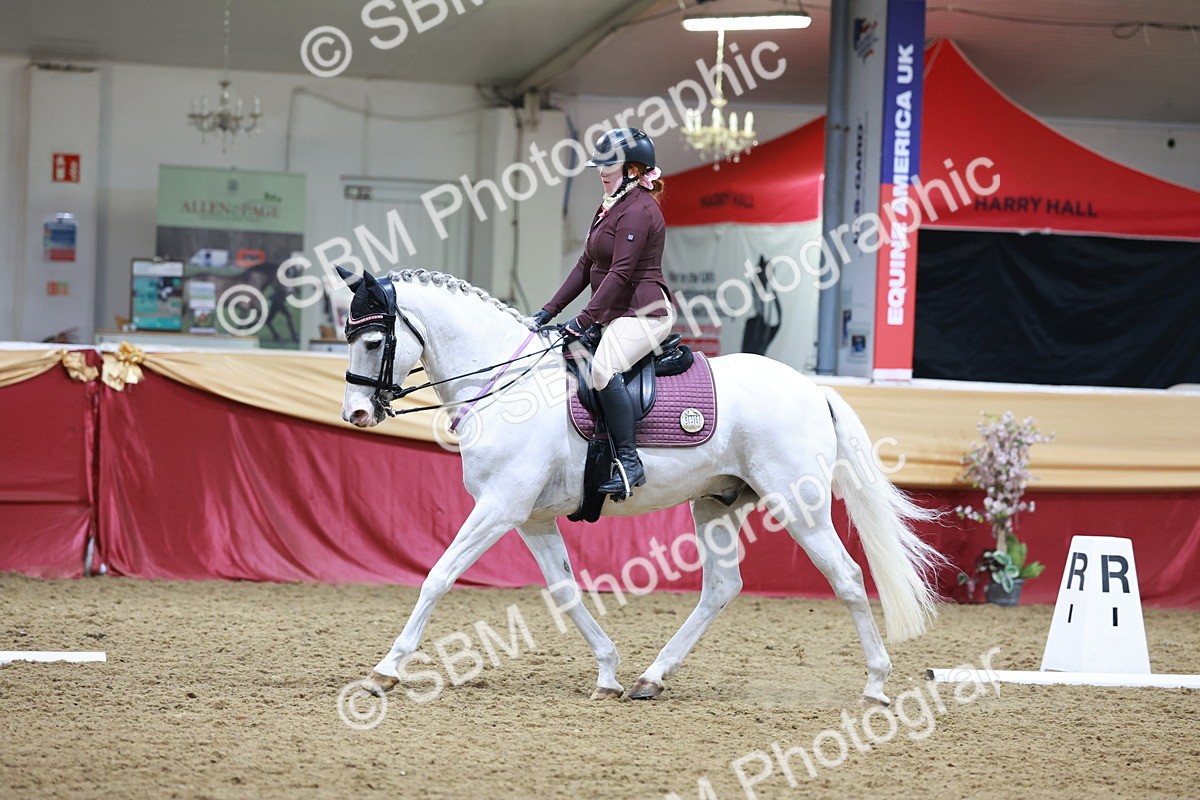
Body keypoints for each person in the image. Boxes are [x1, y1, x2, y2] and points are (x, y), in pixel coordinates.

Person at [532, 128, 677, 498]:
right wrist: (547, 312)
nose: (600, 171)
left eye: (608, 164)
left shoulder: (639, 210)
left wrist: (583, 320)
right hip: (615, 312)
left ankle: (630, 461)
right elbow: (586, 265)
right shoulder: (609, 205)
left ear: (633, 169)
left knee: (602, 369)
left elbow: (621, 273)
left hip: (645, 313)